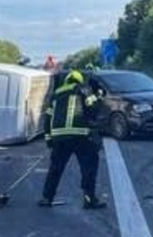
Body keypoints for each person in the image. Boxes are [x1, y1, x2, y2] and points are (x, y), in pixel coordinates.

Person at [39, 70, 106, 209]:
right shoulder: (83, 89)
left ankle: (47, 198)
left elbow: (48, 117)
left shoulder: (56, 93)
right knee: (89, 167)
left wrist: (48, 138)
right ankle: (89, 199)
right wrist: (99, 94)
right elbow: (93, 108)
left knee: (55, 168)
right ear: (79, 80)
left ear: (67, 80)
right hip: (81, 135)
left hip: (60, 137)